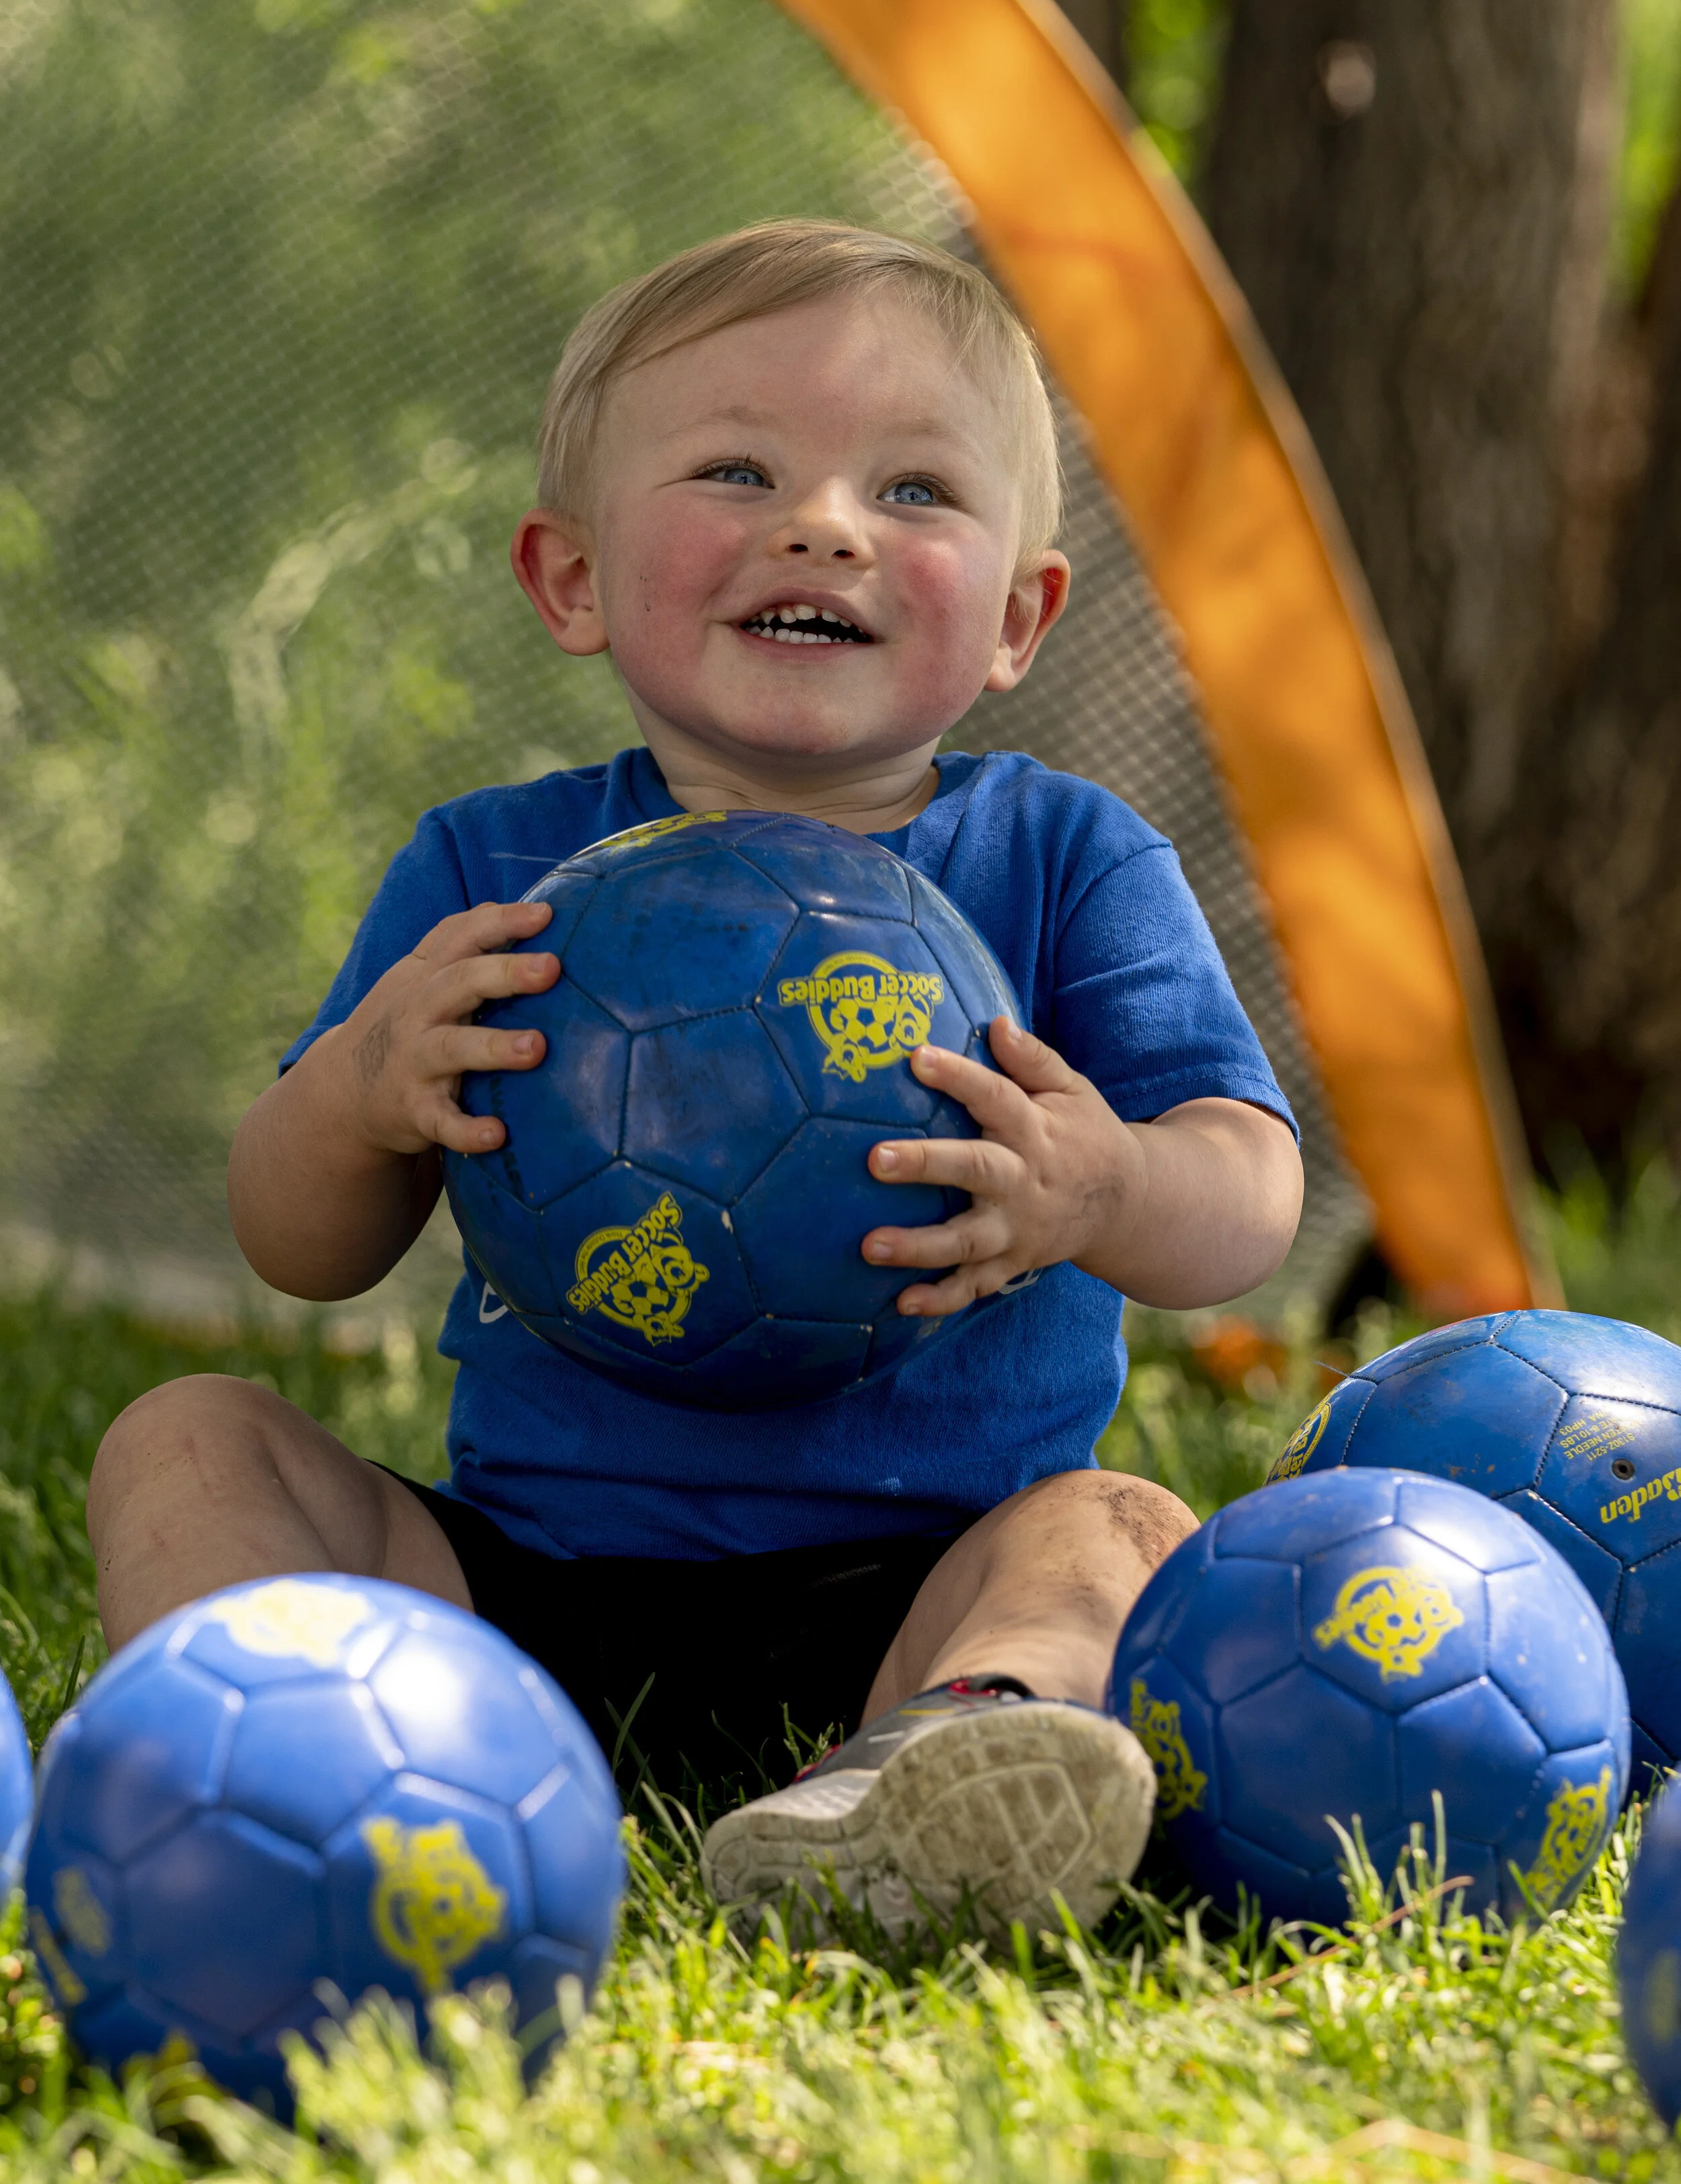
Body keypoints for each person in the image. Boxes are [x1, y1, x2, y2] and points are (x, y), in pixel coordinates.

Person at [89, 221, 1302, 1941]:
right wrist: (361, 1088)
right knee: (187, 1434)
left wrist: (1103, 1185)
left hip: (917, 1577)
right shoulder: (490, 872)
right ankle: (264, 1757)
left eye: (913, 491)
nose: (821, 523)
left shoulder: (1068, 859)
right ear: (570, 579)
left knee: (1109, 1523)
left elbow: (1246, 1191)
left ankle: (939, 1774)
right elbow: (298, 1244)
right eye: (738, 468)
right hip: (518, 1599)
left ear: (1022, 613)